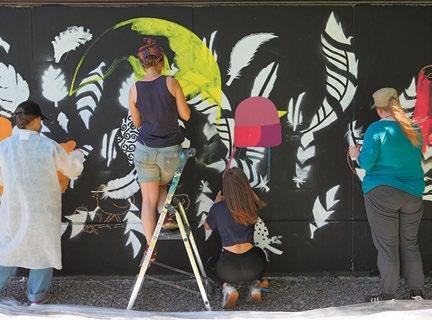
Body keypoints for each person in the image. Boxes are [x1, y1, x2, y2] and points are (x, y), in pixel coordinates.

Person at [0, 101, 84, 306]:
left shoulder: (4, 147)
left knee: (7, 248)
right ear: (36, 120)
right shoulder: (49, 146)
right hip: (43, 209)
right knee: (43, 250)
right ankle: (37, 296)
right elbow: (72, 170)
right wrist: (77, 156)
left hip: (14, 207)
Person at [349, 88, 425, 302]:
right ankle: (417, 292)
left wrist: (356, 154)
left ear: (380, 110)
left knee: (387, 244)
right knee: (410, 243)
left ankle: (388, 294)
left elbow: (367, 162)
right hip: (413, 194)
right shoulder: (414, 128)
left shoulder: (377, 129)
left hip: (382, 194)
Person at [128, 37, 191, 259]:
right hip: (170, 151)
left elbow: (136, 123)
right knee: (162, 185)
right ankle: (166, 217)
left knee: (148, 199)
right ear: (161, 60)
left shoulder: (134, 89)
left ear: (142, 63)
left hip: (145, 150)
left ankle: (150, 247)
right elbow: (186, 115)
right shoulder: (171, 82)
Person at [204, 168, 267, 309]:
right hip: (253, 266)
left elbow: (207, 226)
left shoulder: (218, 208)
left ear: (225, 187)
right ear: (244, 184)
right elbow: (254, 198)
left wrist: (216, 204)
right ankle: (256, 284)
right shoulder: (252, 204)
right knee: (261, 254)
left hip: (228, 268)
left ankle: (227, 287)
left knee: (208, 264)